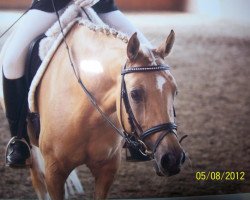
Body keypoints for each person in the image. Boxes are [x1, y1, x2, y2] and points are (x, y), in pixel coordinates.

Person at [2, 0, 152, 168]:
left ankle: (136, 136)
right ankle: (19, 138)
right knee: (11, 61)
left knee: (150, 53)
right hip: (50, 7)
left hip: (99, 5)